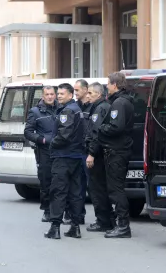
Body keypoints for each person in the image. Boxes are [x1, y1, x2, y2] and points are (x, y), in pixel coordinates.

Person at [45, 83, 85, 240]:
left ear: (70, 95)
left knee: (58, 192)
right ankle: (75, 227)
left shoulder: (67, 111)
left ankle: (55, 227)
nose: (59, 96)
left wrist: (51, 144)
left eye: (62, 93)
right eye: (58, 93)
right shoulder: (77, 109)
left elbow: (63, 136)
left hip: (63, 157)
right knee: (75, 193)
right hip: (76, 157)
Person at [98, 72, 135, 238]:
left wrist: (101, 127)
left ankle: (123, 226)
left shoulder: (119, 103)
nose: (107, 86)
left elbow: (116, 127)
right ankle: (121, 224)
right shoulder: (124, 101)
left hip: (117, 151)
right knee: (116, 188)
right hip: (120, 149)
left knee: (116, 189)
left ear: (115, 85)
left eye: (108, 83)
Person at [23, 85, 58, 222]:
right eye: (47, 94)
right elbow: (28, 132)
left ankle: (60, 210)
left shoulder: (61, 109)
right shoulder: (35, 112)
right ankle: (47, 210)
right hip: (44, 151)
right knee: (46, 181)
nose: (50, 97)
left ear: (55, 95)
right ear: (43, 96)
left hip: (60, 150)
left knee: (60, 182)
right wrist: (41, 139)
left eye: (52, 94)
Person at [84, 82, 115, 233]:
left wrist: (91, 154)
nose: (88, 96)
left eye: (90, 93)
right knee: (101, 188)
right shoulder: (102, 106)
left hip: (98, 155)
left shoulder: (100, 108)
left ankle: (103, 221)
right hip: (103, 154)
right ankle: (108, 219)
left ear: (99, 94)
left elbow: (96, 134)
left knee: (97, 189)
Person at [60, 79, 91, 225]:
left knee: (91, 186)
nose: (75, 92)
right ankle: (76, 215)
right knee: (76, 186)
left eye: (77, 90)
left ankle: (102, 219)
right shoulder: (74, 106)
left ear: (85, 90)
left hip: (88, 151)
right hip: (76, 152)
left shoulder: (92, 106)